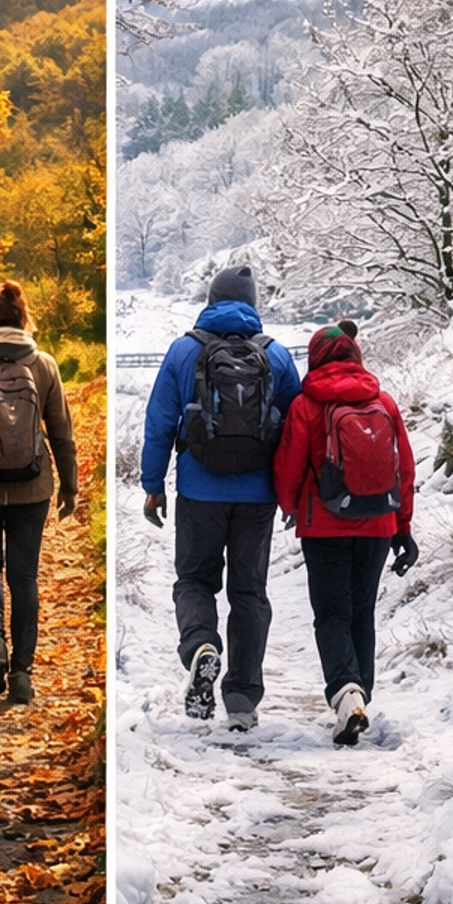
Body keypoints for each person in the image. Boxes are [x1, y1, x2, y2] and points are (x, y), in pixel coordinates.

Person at [141, 262, 301, 730]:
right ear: (253, 306)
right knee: (249, 592)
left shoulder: (184, 351)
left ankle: (201, 647)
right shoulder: (276, 356)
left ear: (210, 300)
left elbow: (159, 424)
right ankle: (242, 702)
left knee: (194, 581)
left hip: (198, 490)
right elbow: (297, 431)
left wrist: (153, 485)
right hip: (258, 496)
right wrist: (291, 495)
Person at [273, 321, 416, 747]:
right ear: (355, 356)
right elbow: (404, 470)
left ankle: (345, 693)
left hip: (325, 527)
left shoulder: (306, 405)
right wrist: (403, 527)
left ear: (315, 358)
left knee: (332, 615)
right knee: (362, 613)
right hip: (378, 525)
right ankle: (360, 697)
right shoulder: (384, 402)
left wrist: (290, 507)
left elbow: (288, 468)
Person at [0, 279, 78, 706]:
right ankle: (23, 672)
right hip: (33, 485)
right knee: (24, 575)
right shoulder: (43, 363)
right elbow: (61, 431)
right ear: (23, 317)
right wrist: (70, 485)